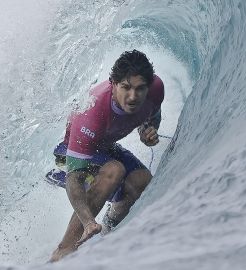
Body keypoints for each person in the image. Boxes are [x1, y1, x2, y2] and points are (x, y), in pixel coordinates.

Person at [48, 50, 164, 262]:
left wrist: (147, 130)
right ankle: (63, 252)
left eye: (140, 89)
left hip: (105, 148)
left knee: (141, 181)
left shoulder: (156, 89)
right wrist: (88, 221)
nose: (133, 96)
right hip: (71, 156)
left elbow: (152, 112)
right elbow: (75, 178)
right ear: (113, 84)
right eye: (126, 87)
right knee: (114, 170)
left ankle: (109, 231)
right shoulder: (91, 114)